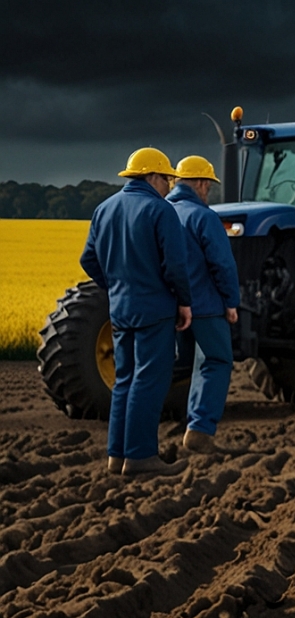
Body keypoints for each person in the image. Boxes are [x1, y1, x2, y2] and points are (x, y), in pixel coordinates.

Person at [80, 147, 193, 478]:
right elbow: (175, 265)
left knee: (124, 380)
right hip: (155, 310)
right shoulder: (160, 210)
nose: (169, 187)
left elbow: (88, 260)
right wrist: (183, 302)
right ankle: (142, 457)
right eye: (167, 180)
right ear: (154, 176)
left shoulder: (104, 209)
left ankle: (117, 456)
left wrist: (115, 284)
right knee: (150, 381)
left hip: (121, 310)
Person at [167, 155, 241, 454]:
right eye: (208, 186)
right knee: (216, 360)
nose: (208, 191)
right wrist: (231, 301)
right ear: (200, 183)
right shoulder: (203, 217)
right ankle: (199, 429)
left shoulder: (162, 212)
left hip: (169, 307)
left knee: (175, 365)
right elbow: (222, 264)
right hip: (206, 305)